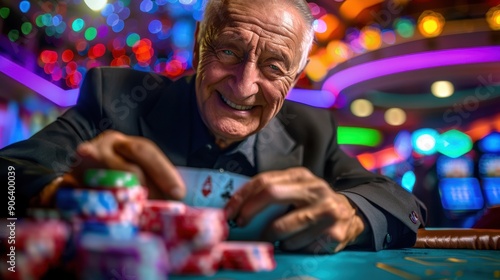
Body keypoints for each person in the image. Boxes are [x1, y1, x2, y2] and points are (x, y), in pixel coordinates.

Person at [0, 0, 426, 253]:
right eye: (228, 51)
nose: (243, 86)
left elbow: (401, 202)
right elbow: (10, 176)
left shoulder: (311, 131)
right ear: (201, 40)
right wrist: (61, 192)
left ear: (296, 76)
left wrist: (351, 215)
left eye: (274, 66)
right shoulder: (116, 96)